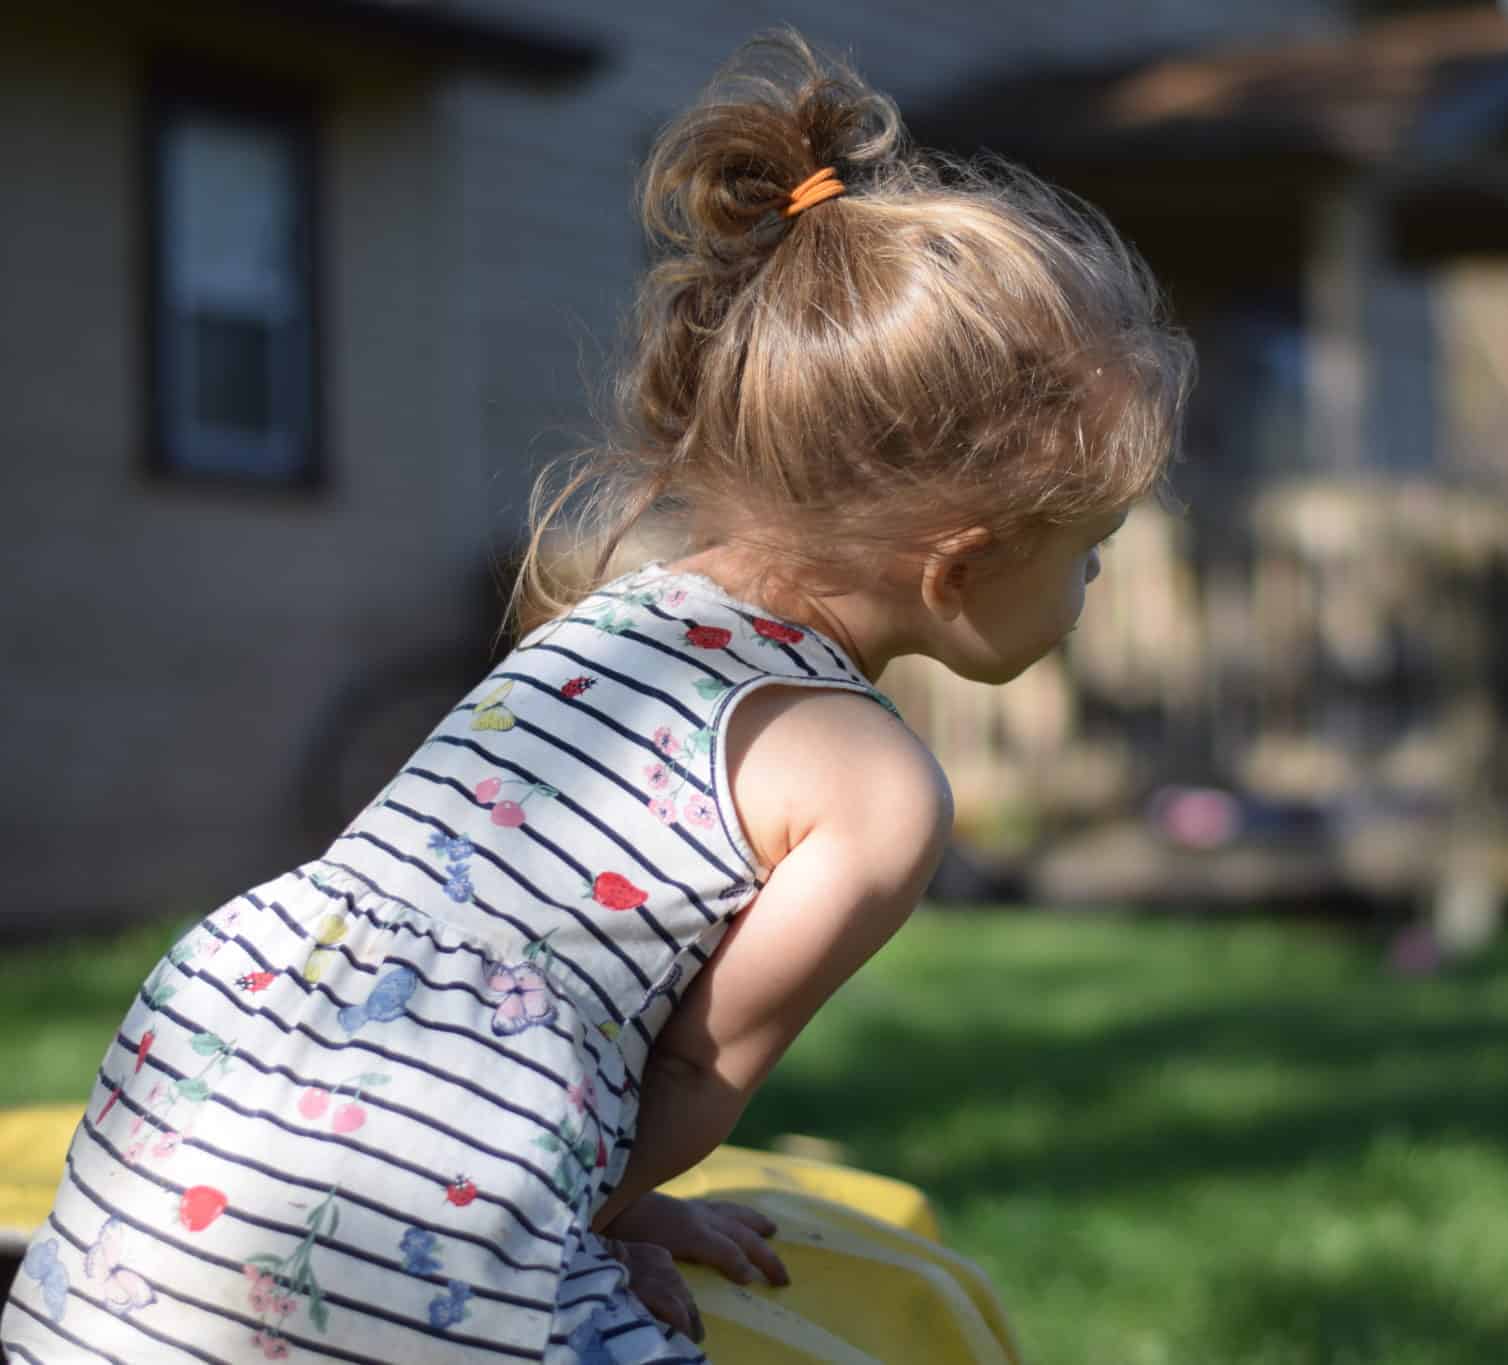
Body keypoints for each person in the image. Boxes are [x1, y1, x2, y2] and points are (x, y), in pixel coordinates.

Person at [0, 29, 1191, 1364]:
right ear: (964, 565)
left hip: (210, 1085)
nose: (1093, 575)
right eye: (1091, 541)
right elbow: (693, 1069)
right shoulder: (878, 788)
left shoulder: (625, 610)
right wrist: (597, 1212)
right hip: (434, 1164)